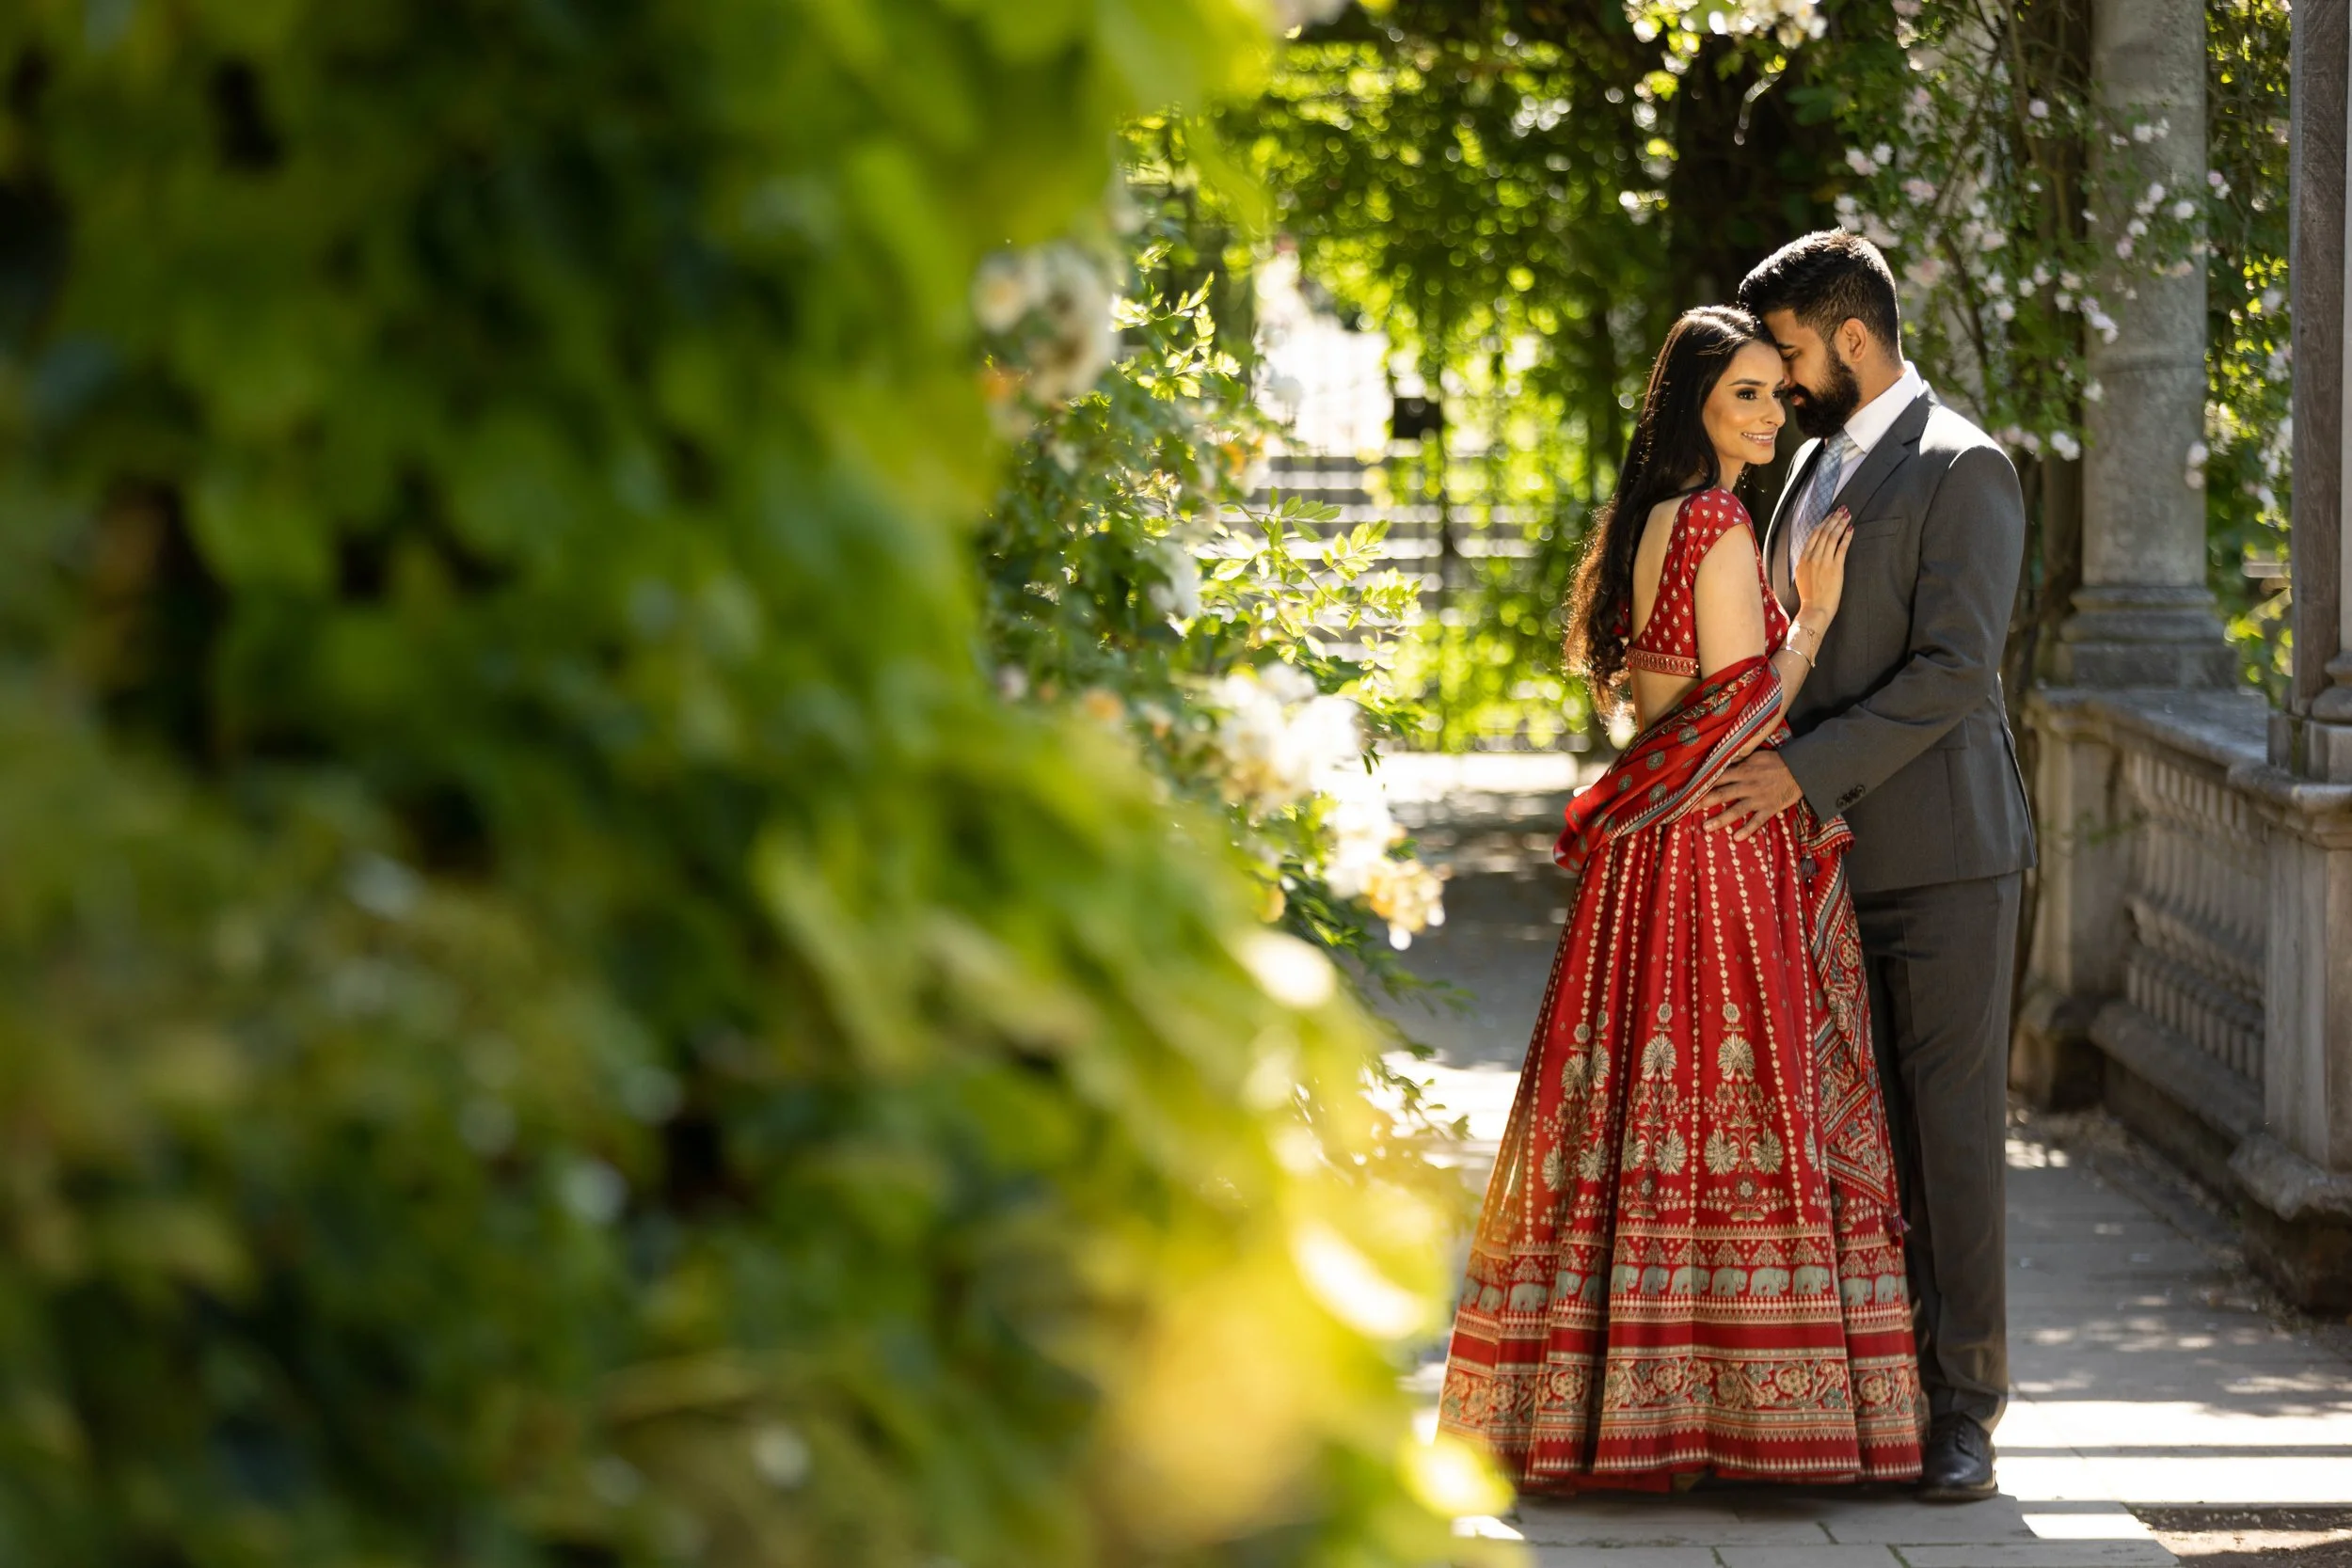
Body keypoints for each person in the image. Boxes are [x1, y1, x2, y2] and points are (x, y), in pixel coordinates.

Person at [1437, 305, 1924, 1492]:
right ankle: (1738, 1416)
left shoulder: (1650, 521)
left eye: (1775, 393)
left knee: (1633, 1119)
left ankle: (1610, 1403)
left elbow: (1656, 714)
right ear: (1695, 401)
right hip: (1713, 851)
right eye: (1745, 393)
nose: (1769, 413)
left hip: (1649, 860)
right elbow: (1735, 711)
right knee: (1728, 1099)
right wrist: (1808, 621)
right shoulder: (1711, 521)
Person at [1710, 230, 2037, 1502]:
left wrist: (1805, 769)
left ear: (1853, 339)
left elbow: (1959, 671)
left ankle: (1966, 1408)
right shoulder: (1803, 469)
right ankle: (1881, 1389)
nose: (1783, 380)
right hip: (1824, 860)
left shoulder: (1967, 467)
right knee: (1865, 1139)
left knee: (1950, 1133)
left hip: (1949, 858)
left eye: (1791, 351)